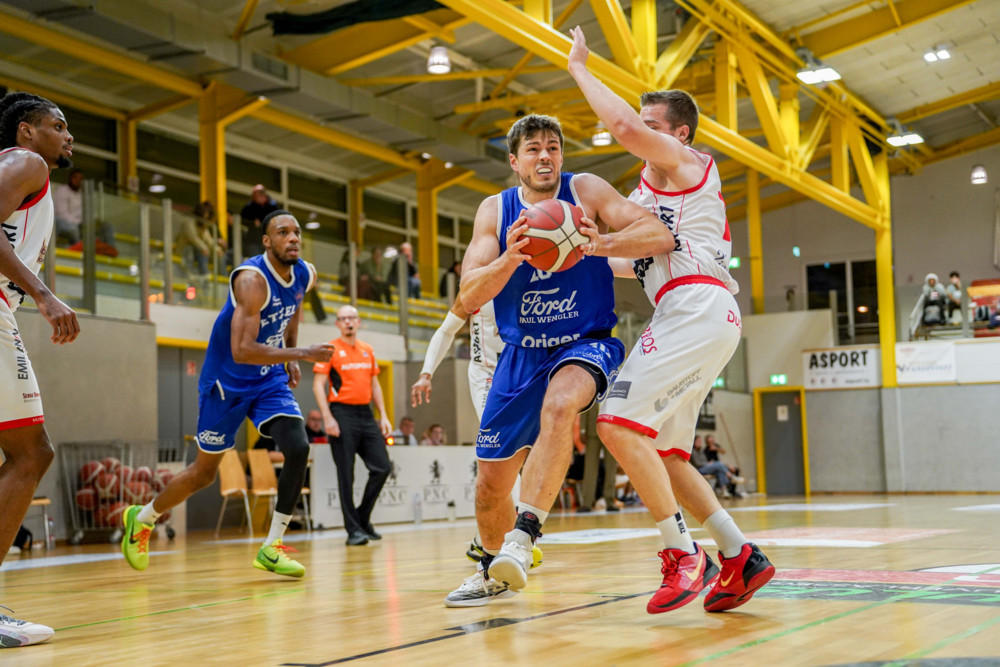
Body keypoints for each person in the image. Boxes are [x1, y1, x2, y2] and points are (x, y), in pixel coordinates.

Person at [569, 25, 774, 614]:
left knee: (615, 423)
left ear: (679, 135)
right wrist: (577, 249)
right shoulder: (649, 197)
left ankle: (683, 553)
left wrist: (581, 69)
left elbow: (626, 129)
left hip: (697, 304)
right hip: (699, 310)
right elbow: (628, 262)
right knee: (666, 454)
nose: (640, 134)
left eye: (654, 127)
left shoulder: (689, 166)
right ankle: (739, 555)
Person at [441, 110, 672, 607]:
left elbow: (658, 233)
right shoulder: (494, 211)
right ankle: (492, 568)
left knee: (561, 404)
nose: (545, 156)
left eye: (553, 147)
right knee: (489, 485)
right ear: (514, 161)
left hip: (585, 341)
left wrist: (597, 243)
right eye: (533, 149)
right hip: (521, 353)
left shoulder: (585, 190)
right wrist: (511, 257)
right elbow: (467, 295)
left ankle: (523, 540)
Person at [121, 210, 333, 580]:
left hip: (268, 379)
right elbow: (242, 350)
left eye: (297, 232)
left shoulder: (304, 273)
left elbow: (293, 309)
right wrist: (300, 354)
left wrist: (291, 354)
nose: (293, 238)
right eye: (283, 232)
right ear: (267, 242)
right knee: (203, 474)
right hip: (227, 383)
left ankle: (271, 547)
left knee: (297, 447)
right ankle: (143, 518)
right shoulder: (252, 280)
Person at [0, 91, 81, 648]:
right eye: (57, 125)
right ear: (27, 132)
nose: (67, 134)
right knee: (33, 452)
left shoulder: (29, 175)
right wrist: (45, 295)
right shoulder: (23, 162)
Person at [312, 305, 392, 546]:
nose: (348, 322)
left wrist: (384, 416)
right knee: (345, 473)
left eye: (352, 318)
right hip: (341, 413)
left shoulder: (367, 350)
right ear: (337, 323)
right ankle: (353, 530)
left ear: (358, 322)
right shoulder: (330, 349)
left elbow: (375, 385)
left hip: (365, 415)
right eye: (343, 319)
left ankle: (362, 518)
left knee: (382, 467)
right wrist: (327, 417)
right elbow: (318, 385)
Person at [52, 167, 115, 250]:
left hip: (82, 224)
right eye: (76, 177)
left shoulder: (84, 193)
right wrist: (79, 222)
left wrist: (94, 221)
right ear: (70, 178)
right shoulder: (62, 190)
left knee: (106, 226)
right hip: (64, 222)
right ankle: (80, 251)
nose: (78, 180)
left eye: (81, 178)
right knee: (73, 228)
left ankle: (109, 250)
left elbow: (90, 211)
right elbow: (62, 213)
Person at [175, 202, 223, 278]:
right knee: (201, 250)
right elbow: (193, 237)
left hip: (197, 252)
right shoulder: (188, 221)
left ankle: (206, 275)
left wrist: (218, 250)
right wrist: (204, 248)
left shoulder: (203, 227)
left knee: (214, 253)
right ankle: (202, 275)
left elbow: (209, 240)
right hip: (185, 250)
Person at [238, 184, 279, 259]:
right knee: (256, 259)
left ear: (262, 195)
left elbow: (277, 220)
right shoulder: (249, 207)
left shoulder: (273, 206)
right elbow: (242, 220)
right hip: (254, 239)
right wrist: (253, 223)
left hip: (269, 238)